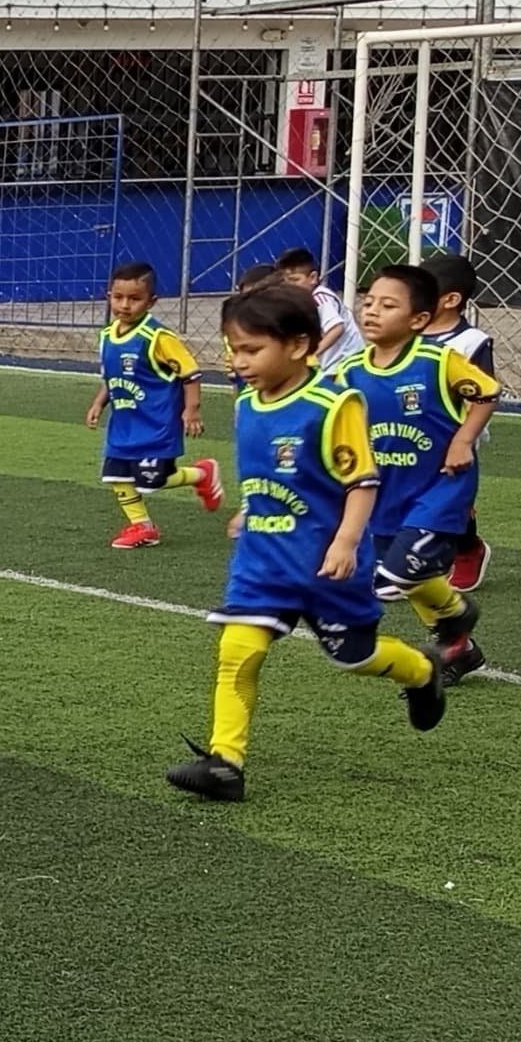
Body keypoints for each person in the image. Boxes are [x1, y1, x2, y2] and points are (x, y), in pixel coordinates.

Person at [164, 281, 447, 804]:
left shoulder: (333, 404)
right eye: (233, 348)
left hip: (325, 564)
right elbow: (264, 471)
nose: (239, 360)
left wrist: (345, 542)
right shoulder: (249, 402)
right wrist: (250, 511)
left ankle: (422, 670)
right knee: (237, 650)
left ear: (297, 346)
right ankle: (226, 763)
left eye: (252, 349)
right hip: (264, 560)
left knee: (355, 658)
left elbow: (362, 482)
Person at [329, 264, 500, 686]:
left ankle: (455, 621)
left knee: (391, 578)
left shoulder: (438, 360)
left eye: (388, 305)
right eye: (368, 302)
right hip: (385, 491)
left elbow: (488, 393)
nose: (371, 311)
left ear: (419, 319)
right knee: (417, 575)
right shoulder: (350, 370)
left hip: (440, 487)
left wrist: (463, 441)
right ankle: (457, 635)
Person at [86, 261, 223, 548]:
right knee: (116, 475)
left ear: (152, 302)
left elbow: (191, 373)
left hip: (156, 425)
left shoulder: (157, 337)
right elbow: (111, 377)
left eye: (134, 299)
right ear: (108, 295)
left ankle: (202, 473)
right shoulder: (107, 336)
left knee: (153, 481)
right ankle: (142, 527)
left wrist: (192, 410)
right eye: (118, 297)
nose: (125, 305)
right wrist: (99, 403)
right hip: (123, 425)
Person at [420, 253, 494, 592]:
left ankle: (468, 549)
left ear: (451, 299)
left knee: (451, 501)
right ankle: (401, 558)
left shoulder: (471, 341)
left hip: (452, 435)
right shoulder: (404, 333)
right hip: (401, 432)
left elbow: (483, 394)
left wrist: (464, 438)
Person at [276, 246, 362, 367]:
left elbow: (336, 328)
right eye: (285, 282)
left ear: (313, 278)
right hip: (332, 364)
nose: (289, 286)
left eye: (294, 280)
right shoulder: (299, 301)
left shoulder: (320, 297)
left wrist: (313, 355)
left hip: (346, 363)